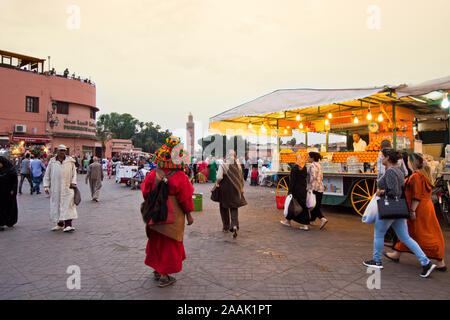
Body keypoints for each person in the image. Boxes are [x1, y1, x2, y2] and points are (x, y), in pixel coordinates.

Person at [363, 149, 437, 278]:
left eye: (382, 156)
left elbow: (394, 192)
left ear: (387, 158)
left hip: (390, 208)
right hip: (399, 209)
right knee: (405, 237)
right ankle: (425, 262)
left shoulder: (391, 171)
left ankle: (377, 260)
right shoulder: (400, 170)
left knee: (379, 234)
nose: (381, 159)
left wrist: (381, 192)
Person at [141, 136, 194, 288]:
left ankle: (157, 270)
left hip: (155, 214)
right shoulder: (181, 177)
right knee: (169, 244)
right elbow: (185, 199)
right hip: (173, 217)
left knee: (156, 241)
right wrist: (189, 215)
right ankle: (164, 275)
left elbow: (145, 192)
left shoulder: (153, 174)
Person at [385, 153, 446, 272]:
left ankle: (439, 260)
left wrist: (412, 211)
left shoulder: (416, 177)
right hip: (425, 208)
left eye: (407, 161)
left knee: (423, 234)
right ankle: (397, 253)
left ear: (411, 163)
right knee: (411, 232)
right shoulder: (423, 175)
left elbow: (416, 196)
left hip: (419, 209)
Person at [43, 145, 78, 232]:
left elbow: (74, 173)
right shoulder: (52, 162)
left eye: (64, 151)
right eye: (60, 150)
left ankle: (68, 225)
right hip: (56, 188)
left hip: (67, 188)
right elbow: (47, 174)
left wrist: (73, 182)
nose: (62, 152)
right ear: (57, 151)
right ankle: (59, 224)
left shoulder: (70, 161)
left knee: (68, 206)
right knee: (57, 205)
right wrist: (46, 186)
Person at [214, 150, 247, 238]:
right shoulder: (238, 165)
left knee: (223, 207)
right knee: (233, 206)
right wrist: (241, 188)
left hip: (225, 188)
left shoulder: (223, 164)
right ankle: (234, 225)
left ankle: (226, 227)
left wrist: (217, 183)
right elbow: (241, 178)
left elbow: (219, 177)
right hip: (236, 188)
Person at [281, 154, 310, 230]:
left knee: (292, 205)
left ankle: (288, 221)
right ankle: (305, 224)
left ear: (297, 159)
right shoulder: (305, 168)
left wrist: (290, 191)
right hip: (303, 190)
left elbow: (292, 181)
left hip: (295, 190)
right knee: (303, 206)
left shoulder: (294, 168)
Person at [307, 152, 328, 229]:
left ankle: (322, 218)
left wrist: (310, 187)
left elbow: (312, 177)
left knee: (312, 205)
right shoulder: (319, 165)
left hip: (314, 188)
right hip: (320, 187)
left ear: (312, 158)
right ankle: (311, 220)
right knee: (316, 205)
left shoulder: (312, 166)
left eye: (309, 157)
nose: (308, 158)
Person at [0, 156, 18, 231]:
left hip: (8, 193)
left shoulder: (10, 170)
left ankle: (10, 221)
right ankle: (1, 223)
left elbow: (14, 181)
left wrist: (13, 189)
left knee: (8, 207)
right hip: (0, 193)